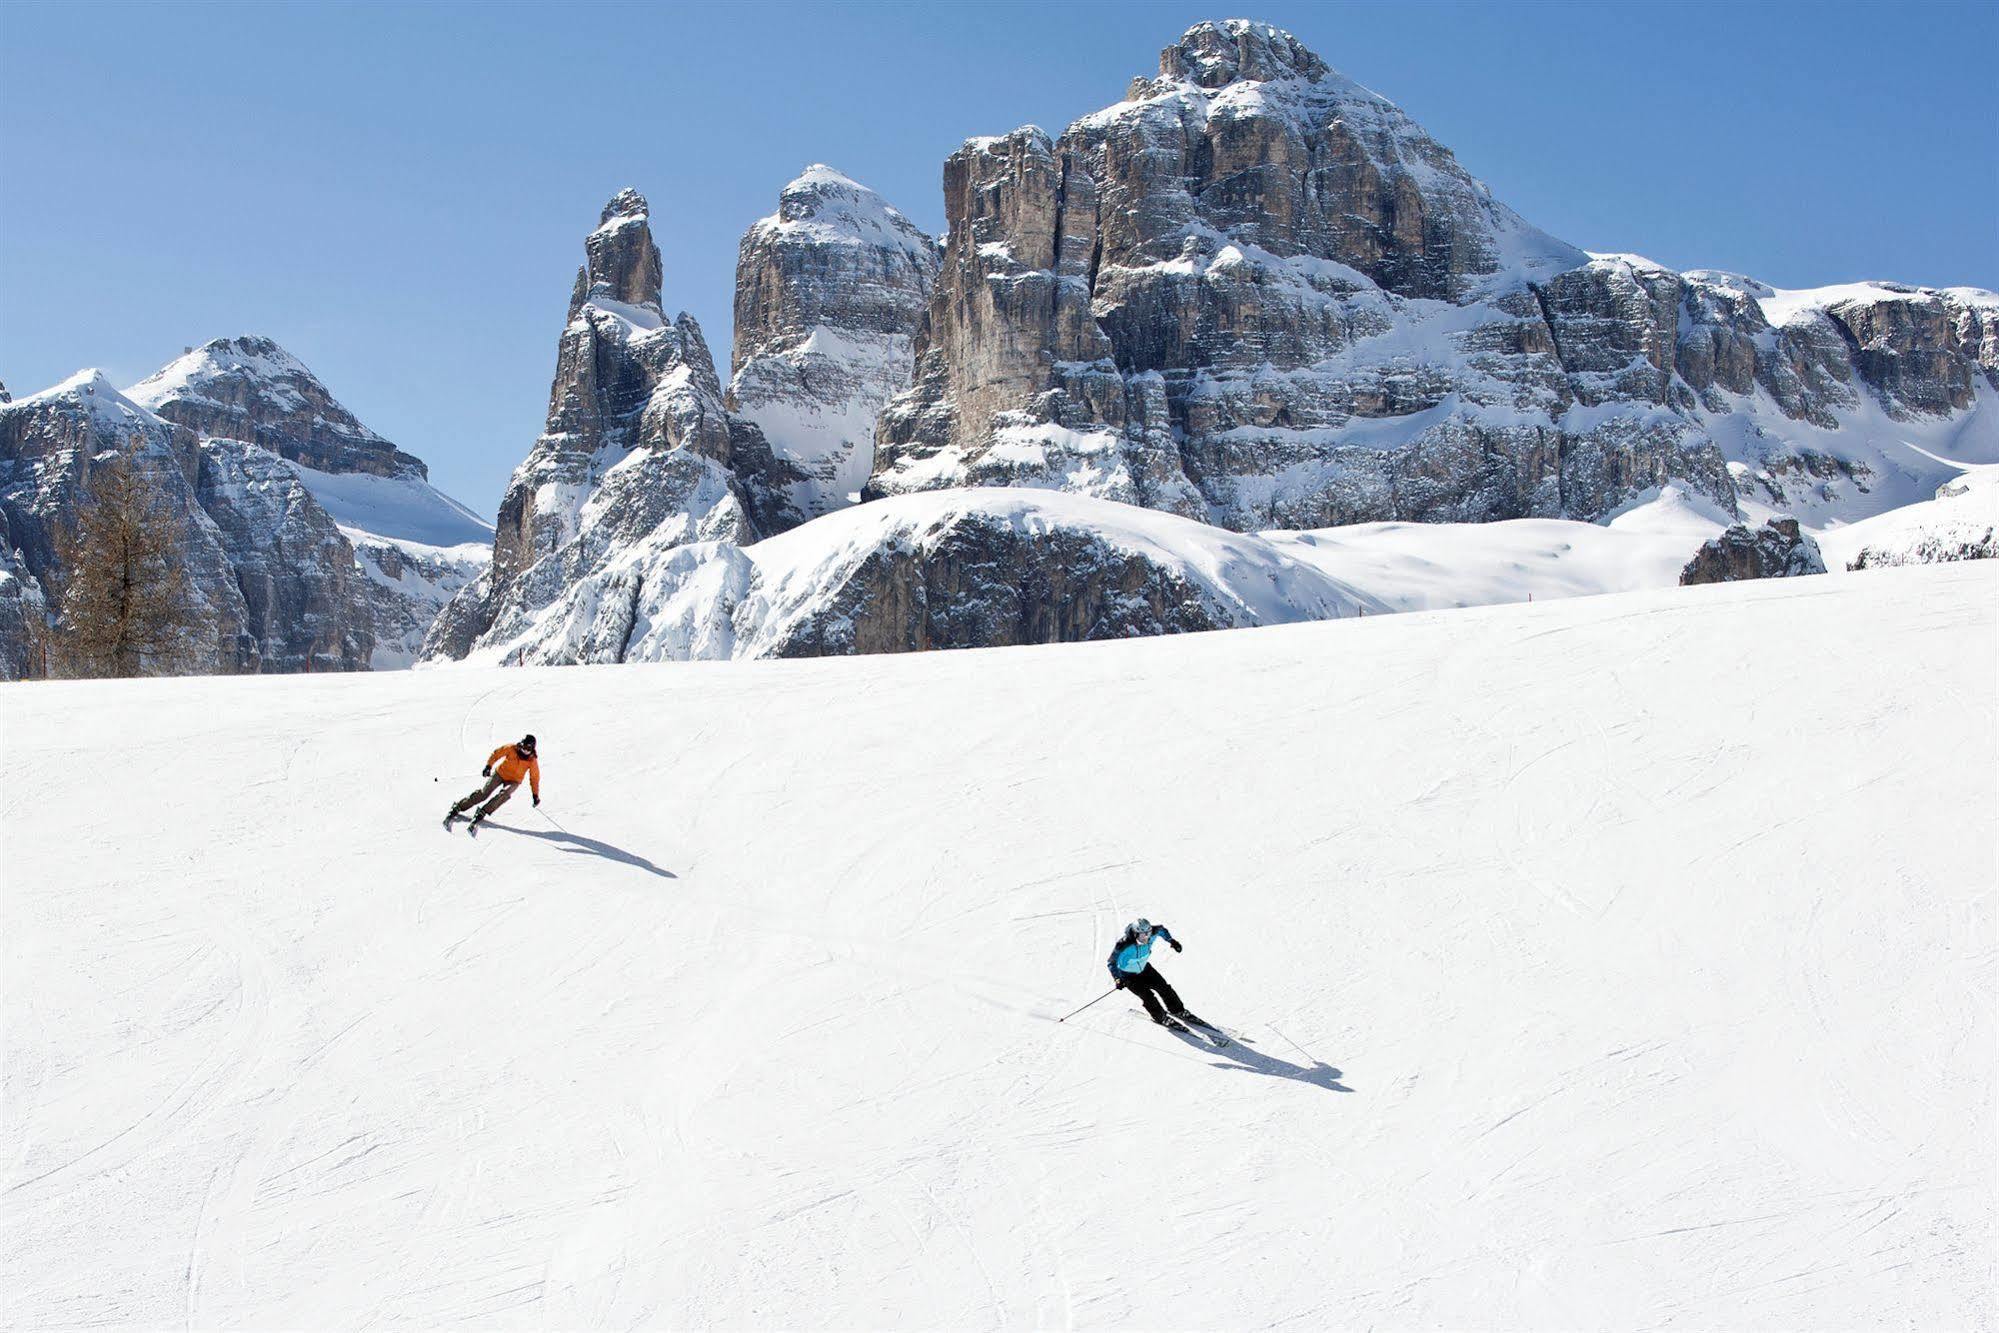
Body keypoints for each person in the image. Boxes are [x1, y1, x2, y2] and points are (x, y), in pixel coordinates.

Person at [1106, 918, 1204, 1027]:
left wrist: (1171, 940)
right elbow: (1111, 963)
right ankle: (1160, 1017)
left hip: (1145, 968)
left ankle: (1177, 1010)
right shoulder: (1123, 944)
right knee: (1148, 997)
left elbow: (1162, 930)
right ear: (1135, 933)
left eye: (1148, 934)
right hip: (1128, 976)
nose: (1146, 938)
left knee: (1164, 988)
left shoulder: (1153, 932)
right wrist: (1117, 978)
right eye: (1143, 935)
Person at [448, 734, 540, 825]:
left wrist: (535, 795)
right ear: (521, 744)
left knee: (505, 793)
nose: (525, 751)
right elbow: (497, 754)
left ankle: (484, 811)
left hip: (514, 780)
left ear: (532, 749)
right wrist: (489, 766)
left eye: (528, 749)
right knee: (484, 793)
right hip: (500, 774)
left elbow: (534, 778)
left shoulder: (532, 760)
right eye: (524, 747)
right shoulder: (512, 748)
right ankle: (459, 806)